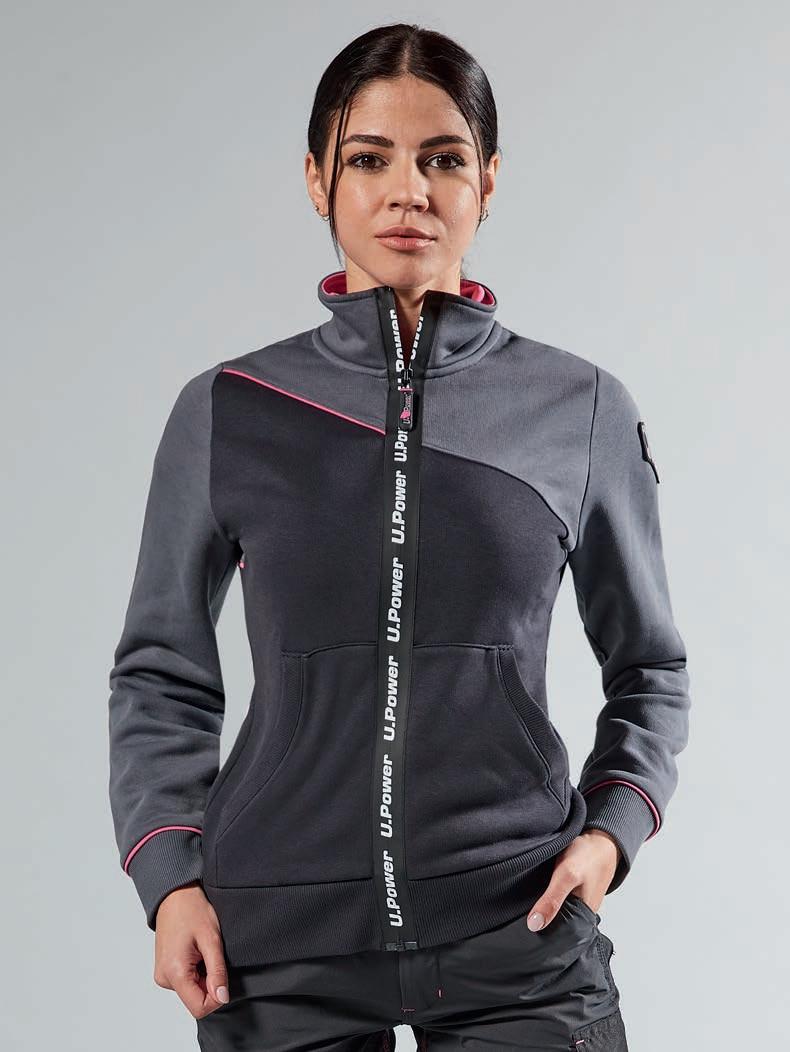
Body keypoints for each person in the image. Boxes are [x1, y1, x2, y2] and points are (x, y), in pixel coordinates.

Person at [107, 22, 691, 1052]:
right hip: (277, 939)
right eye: (370, 159)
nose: (408, 191)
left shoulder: (580, 407)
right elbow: (160, 670)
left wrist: (609, 835)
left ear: (488, 181)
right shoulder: (231, 408)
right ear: (317, 178)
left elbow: (650, 667)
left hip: (517, 924)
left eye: (444, 160)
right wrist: (169, 879)